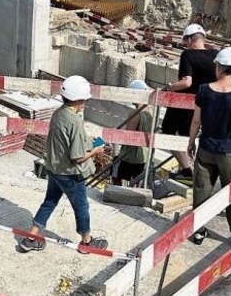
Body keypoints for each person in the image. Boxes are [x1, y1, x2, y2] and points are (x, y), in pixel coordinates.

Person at [19, 75, 108, 253]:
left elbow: (65, 142)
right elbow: (78, 158)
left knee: (50, 202)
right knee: (81, 206)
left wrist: (87, 142)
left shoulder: (59, 113)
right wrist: (96, 150)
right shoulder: (74, 120)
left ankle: (31, 238)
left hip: (54, 168)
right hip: (70, 174)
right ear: (79, 100)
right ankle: (86, 242)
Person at [188, 47, 231, 246]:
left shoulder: (203, 90)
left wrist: (191, 142)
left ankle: (198, 231)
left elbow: (196, 121)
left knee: (201, 190)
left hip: (206, 149)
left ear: (218, 67)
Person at [161, 23, 219, 184]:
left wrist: (168, 88)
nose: (185, 45)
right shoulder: (215, 54)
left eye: (186, 41)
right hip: (206, 104)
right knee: (189, 138)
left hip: (184, 103)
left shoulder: (188, 55)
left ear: (190, 39)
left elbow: (186, 82)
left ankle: (186, 170)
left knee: (167, 133)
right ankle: (187, 170)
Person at [112, 80, 153, 186]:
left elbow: (128, 137)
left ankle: (117, 196)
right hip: (143, 156)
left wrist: (114, 139)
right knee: (136, 181)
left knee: (115, 173)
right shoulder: (150, 112)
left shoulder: (135, 114)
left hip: (129, 155)